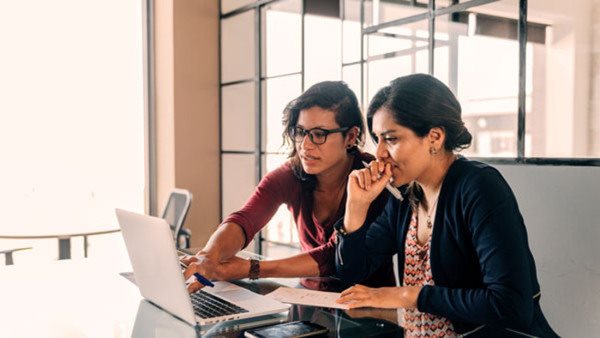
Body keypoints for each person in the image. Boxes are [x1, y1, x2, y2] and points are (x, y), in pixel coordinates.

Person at [334, 74, 558, 337]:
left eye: (391, 139)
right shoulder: (405, 196)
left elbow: (510, 305)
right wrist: (356, 208)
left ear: (435, 137)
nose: (380, 152)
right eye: (377, 139)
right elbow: (352, 272)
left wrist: (409, 295)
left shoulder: (479, 187)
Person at [182, 81, 395, 292]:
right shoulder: (292, 173)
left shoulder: (373, 179)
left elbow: (333, 257)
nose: (305, 145)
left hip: (367, 312)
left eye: (319, 134)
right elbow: (245, 219)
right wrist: (209, 256)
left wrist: (251, 268)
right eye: (300, 132)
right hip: (309, 300)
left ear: (350, 136)